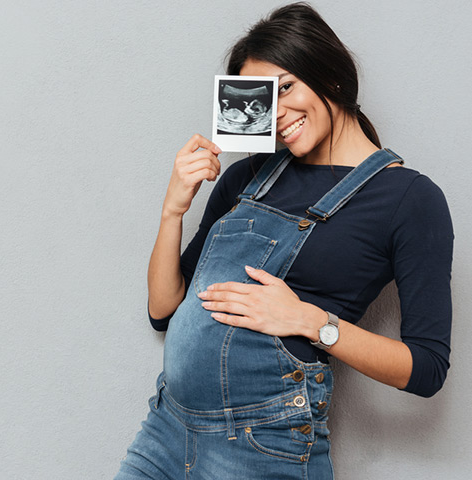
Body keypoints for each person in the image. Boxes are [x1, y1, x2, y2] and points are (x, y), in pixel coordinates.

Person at [115, 3, 454, 479]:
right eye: (264, 99)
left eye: (287, 87)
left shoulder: (409, 199)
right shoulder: (245, 177)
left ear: (331, 76)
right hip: (167, 430)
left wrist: (311, 321)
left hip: (263, 445)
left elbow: (426, 369)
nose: (278, 115)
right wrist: (173, 209)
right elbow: (162, 309)